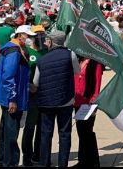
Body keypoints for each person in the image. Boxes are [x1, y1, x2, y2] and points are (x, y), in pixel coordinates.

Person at [34, 30, 81, 168]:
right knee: (65, 134)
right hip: (65, 101)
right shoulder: (70, 55)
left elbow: (36, 82)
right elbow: (77, 72)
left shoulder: (41, 59)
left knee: (46, 134)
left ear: (50, 42)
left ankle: (44, 163)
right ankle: (62, 163)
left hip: (46, 102)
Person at [0, 25, 35, 167]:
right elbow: (8, 76)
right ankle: (9, 163)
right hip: (12, 98)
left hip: (11, 95)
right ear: (20, 35)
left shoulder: (14, 48)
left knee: (6, 132)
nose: (29, 38)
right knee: (11, 134)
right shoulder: (14, 51)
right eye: (27, 35)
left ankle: (3, 161)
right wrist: (12, 99)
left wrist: (28, 85)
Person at [22, 24, 48, 167]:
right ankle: (27, 156)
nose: (39, 37)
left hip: (44, 95)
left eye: (41, 35)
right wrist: (28, 85)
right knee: (30, 127)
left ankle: (38, 154)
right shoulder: (26, 52)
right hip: (31, 96)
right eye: (36, 35)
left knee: (42, 128)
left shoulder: (46, 52)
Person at [75, 57, 103, 167]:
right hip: (77, 101)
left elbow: (97, 83)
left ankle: (92, 161)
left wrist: (94, 102)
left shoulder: (95, 63)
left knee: (87, 132)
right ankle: (84, 160)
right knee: (81, 132)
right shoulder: (77, 60)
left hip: (88, 102)